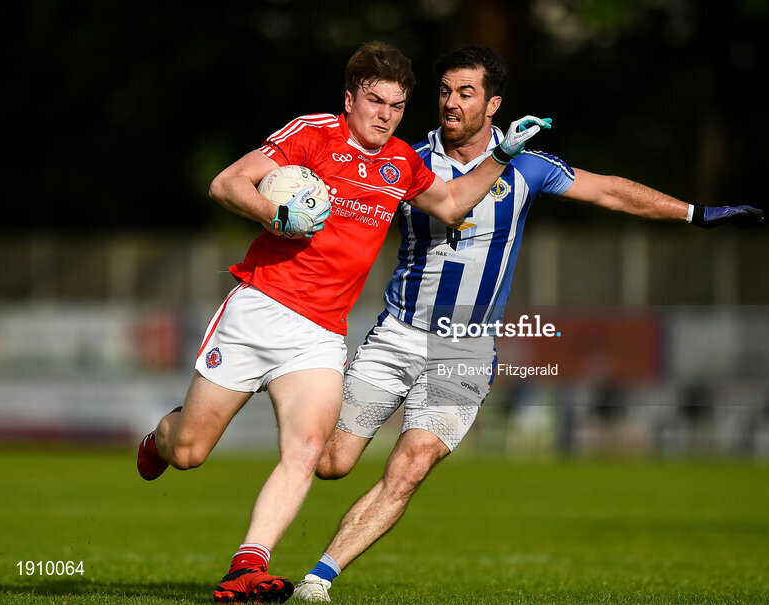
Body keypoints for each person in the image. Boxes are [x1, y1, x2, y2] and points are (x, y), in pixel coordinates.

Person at [293, 45, 764, 602]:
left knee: (413, 461)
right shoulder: (405, 160)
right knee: (331, 463)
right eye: (445, 91)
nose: (451, 102)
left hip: (466, 345)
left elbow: (610, 190)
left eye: (466, 93)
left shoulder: (527, 165)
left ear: (494, 104)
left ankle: (319, 578)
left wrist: (693, 213)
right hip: (397, 333)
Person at [134, 41, 550, 605]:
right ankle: (161, 440)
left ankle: (245, 570)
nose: (385, 115)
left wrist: (501, 155)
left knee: (308, 450)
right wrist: (276, 214)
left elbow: (452, 206)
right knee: (190, 452)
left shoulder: (402, 161)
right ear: (350, 98)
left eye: (398, 106)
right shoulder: (313, 133)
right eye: (375, 101)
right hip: (259, 309)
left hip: (321, 334)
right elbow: (227, 184)